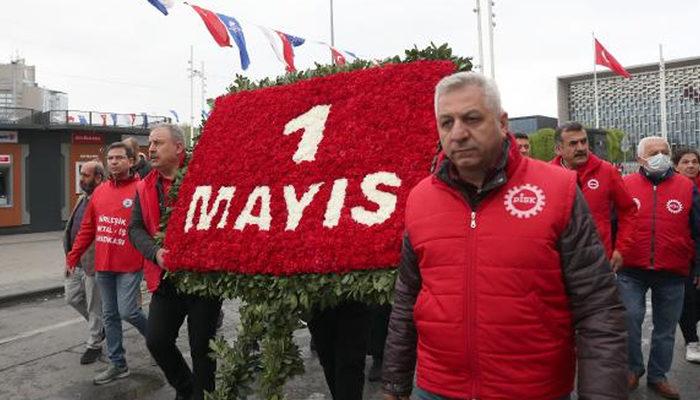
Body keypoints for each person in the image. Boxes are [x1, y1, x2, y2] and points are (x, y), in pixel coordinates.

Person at [381, 72, 627, 400]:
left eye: (471, 119)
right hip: (436, 388)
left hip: (532, 390)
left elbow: (597, 306)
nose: (457, 133)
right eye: (446, 122)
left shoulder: (558, 190)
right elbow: (407, 299)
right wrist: (394, 385)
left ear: (502, 122)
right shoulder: (420, 198)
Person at [129, 123, 222, 400]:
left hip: (202, 280)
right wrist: (156, 253)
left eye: (158, 143)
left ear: (179, 148)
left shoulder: (204, 177)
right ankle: (187, 389)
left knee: (201, 349)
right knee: (157, 340)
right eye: (150, 143)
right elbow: (134, 229)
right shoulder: (145, 186)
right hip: (165, 279)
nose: (151, 148)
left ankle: (202, 395)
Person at [620, 136, 700, 398]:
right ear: (641, 158)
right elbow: (612, 221)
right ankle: (633, 369)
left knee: (665, 329)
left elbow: (698, 230)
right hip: (631, 269)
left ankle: (658, 375)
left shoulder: (687, 188)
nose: (661, 156)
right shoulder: (625, 184)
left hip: (673, 271)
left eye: (665, 152)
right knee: (630, 319)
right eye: (654, 152)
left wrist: (697, 266)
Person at [66, 142, 147, 385]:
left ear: (131, 161)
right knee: (109, 316)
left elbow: (151, 226)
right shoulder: (100, 192)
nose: (114, 162)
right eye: (110, 158)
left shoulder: (141, 189)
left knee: (128, 311)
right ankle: (118, 364)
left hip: (130, 264)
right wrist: (73, 256)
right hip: (104, 266)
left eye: (120, 158)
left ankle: (158, 340)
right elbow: (87, 229)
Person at [551, 122, 638, 271]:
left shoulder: (607, 171)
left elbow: (628, 211)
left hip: (597, 260)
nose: (581, 148)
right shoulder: (547, 174)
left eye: (583, 141)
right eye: (573, 143)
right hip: (558, 261)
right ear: (558, 149)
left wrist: (621, 249)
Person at [63, 160, 105, 365]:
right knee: (71, 297)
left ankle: (94, 344)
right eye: (81, 175)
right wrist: (69, 256)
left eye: (86, 175)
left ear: (98, 177)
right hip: (74, 261)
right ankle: (101, 328)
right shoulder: (82, 198)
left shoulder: (103, 198)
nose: (81, 179)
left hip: (92, 263)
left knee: (93, 305)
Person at [672, 147, 700, 364]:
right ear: (676, 166)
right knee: (689, 300)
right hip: (684, 256)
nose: (690, 165)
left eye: (694, 161)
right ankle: (692, 340)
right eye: (685, 162)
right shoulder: (671, 188)